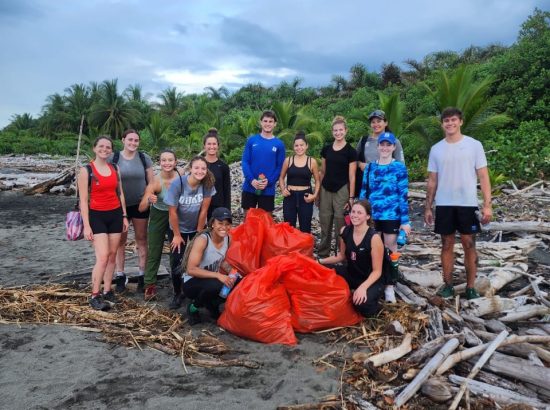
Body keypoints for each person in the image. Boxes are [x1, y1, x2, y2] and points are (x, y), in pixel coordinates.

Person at [424, 107, 492, 300]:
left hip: (467, 203)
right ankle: (448, 285)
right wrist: (428, 207)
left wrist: (487, 204)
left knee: (469, 243)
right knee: (446, 244)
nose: (450, 123)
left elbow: (483, 176)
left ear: (460, 122)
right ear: (442, 124)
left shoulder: (474, 145)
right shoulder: (436, 149)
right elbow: (432, 180)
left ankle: (471, 287)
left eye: (453, 120)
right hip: (444, 204)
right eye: (446, 121)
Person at [359, 132, 411, 303]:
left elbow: (403, 195)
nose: (385, 148)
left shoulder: (399, 168)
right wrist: (360, 213)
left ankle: (390, 285)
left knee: (391, 249)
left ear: (394, 147)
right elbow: (364, 192)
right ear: (378, 146)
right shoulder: (370, 167)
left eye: (389, 145)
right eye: (382, 144)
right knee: (374, 249)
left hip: (392, 215)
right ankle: (375, 281)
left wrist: (405, 221)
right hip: (373, 215)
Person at [78, 136, 129, 311]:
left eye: (108, 147)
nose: (105, 149)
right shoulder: (86, 170)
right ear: (94, 148)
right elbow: (83, 201)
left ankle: (108, 290)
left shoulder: (115, 168)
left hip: (115, 214)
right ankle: (94, 294)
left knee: (113, 254)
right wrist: (86, 225)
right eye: (101, 146)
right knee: (102, 257)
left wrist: (124, 216)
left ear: (111, 150)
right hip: (96, 216)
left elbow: (120, 193)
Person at [164, 156, 216, 309]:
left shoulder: (207, 184)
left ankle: (192, 290)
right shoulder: (178, 184)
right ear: (190, 169)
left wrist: (199, 233)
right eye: (197, 168)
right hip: (177, 227)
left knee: (195, 260)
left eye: (203, 168)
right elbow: (172, 212)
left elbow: (204, 210)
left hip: (196, 226)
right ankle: (177, 292)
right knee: (177, 259)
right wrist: (177, 235)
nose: (200, 171)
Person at [318, 200, 385, 316]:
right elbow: (341, 256)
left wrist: (363, 287)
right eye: (353, 211)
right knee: (321, 271)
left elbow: (377, 271)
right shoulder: (345, 230)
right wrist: (319, 262)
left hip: (369, 278)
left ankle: (377, 305)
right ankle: (351, 291)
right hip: (351, 273)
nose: (354, 215)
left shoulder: (374, 238)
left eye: (359, 213)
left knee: (361, 304)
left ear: (367, 216)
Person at [111, 129, 154, 293]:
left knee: (141, 239)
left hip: (140, 204)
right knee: (120, 241)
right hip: (118, 205)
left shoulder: (144, 158)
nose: (133, 143)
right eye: (130, 140)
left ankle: (143, 275)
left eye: (136, 140)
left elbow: (151, 182)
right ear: (123, 140)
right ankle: (120, 275)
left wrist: (147, 198)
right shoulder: (113, 158)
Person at [138, 150, 181, 301]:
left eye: (170, 160)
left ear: (175, 162)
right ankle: (149, 284)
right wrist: (149, 199)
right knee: (155, 249)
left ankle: (177, 283)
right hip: (159, 215)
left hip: (176, 214)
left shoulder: (181, 176)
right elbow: (142, 207)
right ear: (160, 163)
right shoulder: (156, 181)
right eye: (164, 160)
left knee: (176, 250)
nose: (167, 163)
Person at [183, 207, 236, 325]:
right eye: (220, 223)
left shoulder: (228, 239)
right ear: (212, 224)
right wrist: (218, 275)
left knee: (236, 282)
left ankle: (211, 305)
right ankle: (193, 308)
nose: (224, 227)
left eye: (227, 224)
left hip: (211, 279)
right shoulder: (203, 240)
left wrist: (232, 272)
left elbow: (220, 260)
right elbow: (190, 269)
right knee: (216, 285)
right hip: (191, 282)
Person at [318, 115, 357, 258]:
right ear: (332, 131)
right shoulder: (326, 149)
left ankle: (341, 255)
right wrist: (318, 194)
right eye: (335, 130)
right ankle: (323, 254)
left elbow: (352, 176)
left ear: (346, 130)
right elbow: (323, 172)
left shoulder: (351, 151)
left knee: (340, 223)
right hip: (326, 188)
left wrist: (351, 198)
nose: (338, 133)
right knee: (325, 221)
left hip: (342, 190)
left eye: (341, 130)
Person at [241, 110, 286, 216]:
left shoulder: (279, 144)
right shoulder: (252, 140)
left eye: (271, 121)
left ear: (275, 124)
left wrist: (268, 181)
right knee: (248, 220)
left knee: (266, 221)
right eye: (265, 121)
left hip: (268, 189)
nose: (268, 124)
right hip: (249, 187)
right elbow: (245, 161)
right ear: (260, 122)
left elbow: (280, 166)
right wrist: (252, 180)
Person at [278, 132, 321, 233]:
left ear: (306, 146)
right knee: (288, 227)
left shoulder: (312, 162)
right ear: (293, 147)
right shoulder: (288, 160)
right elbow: (281, 177)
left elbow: (318, 181)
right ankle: (290, 248)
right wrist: (283, 189)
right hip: (290, 197)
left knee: (305, 228)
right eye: (296, 145)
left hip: (305, 197)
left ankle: (304, 249)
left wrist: (314, 195)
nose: (299, 148)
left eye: (302, 145)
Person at [355, 110, 405, 196]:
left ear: (385, 123)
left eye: (379, 121)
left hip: (387, 186)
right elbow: (353, 158)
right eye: (373, 122)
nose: (376, 124)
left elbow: (401, 167)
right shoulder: (364, 140)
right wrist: (360, 164)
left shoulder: (394, 142)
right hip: (367, 185)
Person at [203, 128, 231, 218]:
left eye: (214, 144)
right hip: (200, 205)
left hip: (218, 206)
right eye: (209, 144)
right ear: (204, 146)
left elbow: (226, 190)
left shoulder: (223, 166)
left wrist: (227, 211)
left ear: (218, 146)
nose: (212, 147)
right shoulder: (198, 164)